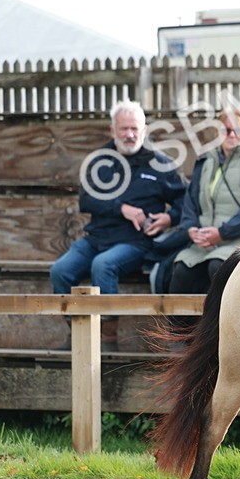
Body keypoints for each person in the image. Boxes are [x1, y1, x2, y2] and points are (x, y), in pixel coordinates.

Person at [50, 99, 186, 352]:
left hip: (136, 242)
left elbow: (184, 203)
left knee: (103, 266)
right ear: (113, 130)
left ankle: (106, 339)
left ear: (144, 130)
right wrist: (121, 208)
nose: (130, 134)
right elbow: (86, 199)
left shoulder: (161, 164)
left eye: (135, 128)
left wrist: (169, 218)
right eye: (124, 129)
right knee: (60, 270)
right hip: (96, 238)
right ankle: (77, 335)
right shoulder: (99, 161)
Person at [169, 104, 240, 300]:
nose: (231, 135)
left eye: (238, 129)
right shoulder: (206, 161)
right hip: (205, 242)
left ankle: (220, 331)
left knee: (218, 268)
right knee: (181, 271)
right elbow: (190, 202)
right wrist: (191, 228)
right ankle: (180, 331)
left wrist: (221, 233)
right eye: (225, 130)